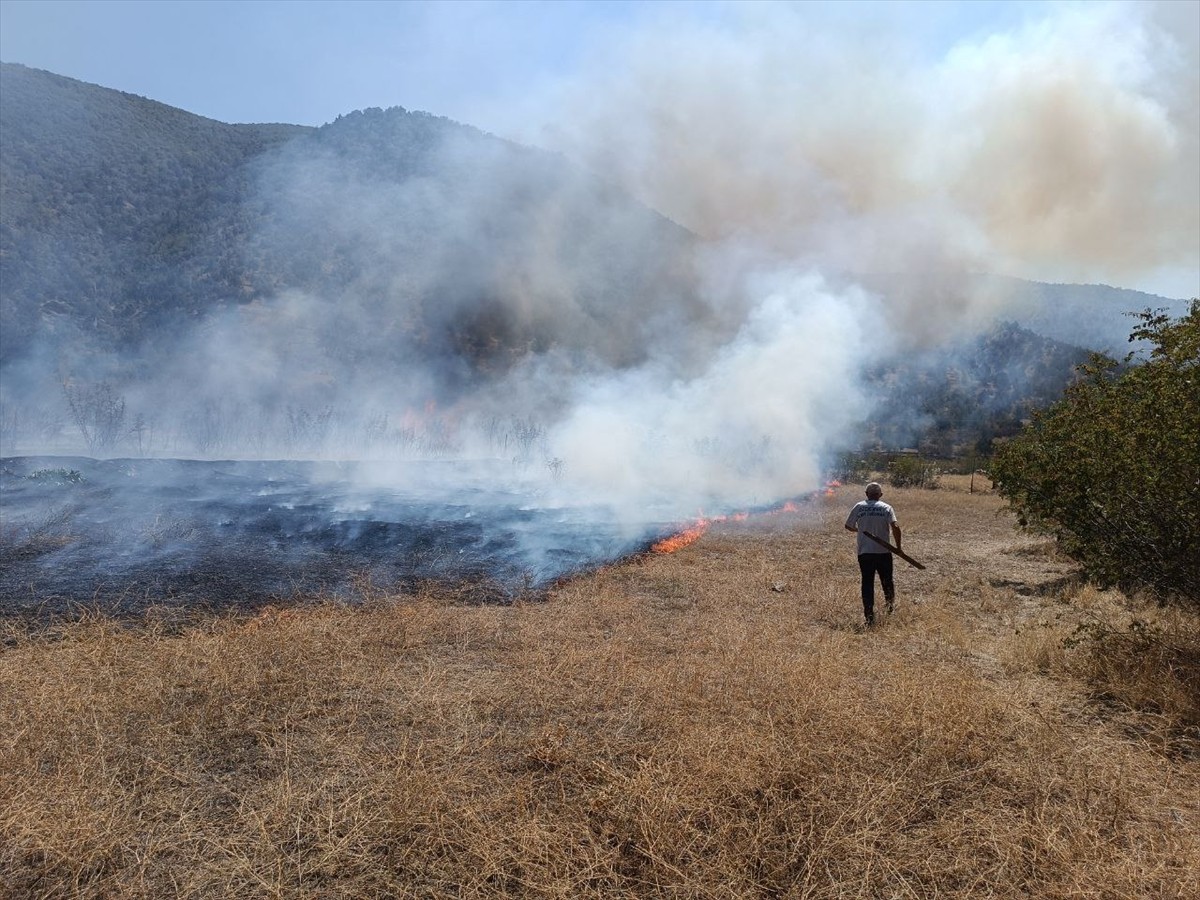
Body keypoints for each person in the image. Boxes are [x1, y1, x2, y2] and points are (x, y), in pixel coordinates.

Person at [844, 482, 902, 627]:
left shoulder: (859, 506)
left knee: (867, 583)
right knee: (887, 581)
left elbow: (848, 526)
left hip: (865, 552)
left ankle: (869, 616)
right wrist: (898, 547)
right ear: (880, 495)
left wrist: (860, 530)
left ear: (866, 494)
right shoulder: (886, 507)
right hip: (883, 552)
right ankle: (889, 608)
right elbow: (895, 526)